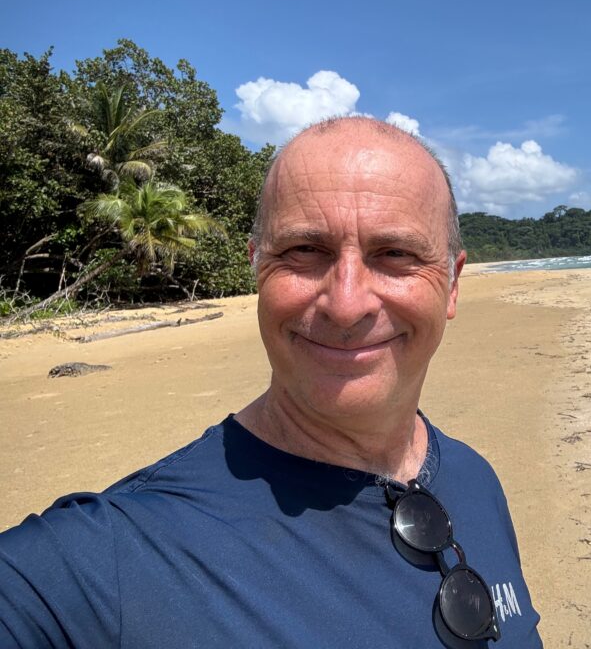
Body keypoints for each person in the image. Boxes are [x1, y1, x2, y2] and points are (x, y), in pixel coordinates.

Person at [0, 117, 542, 647]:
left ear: (451, 286)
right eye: (305, 251)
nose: (347, 304)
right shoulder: (113, 554)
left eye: (395, 255)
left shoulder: (476, 480)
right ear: (257, 267)